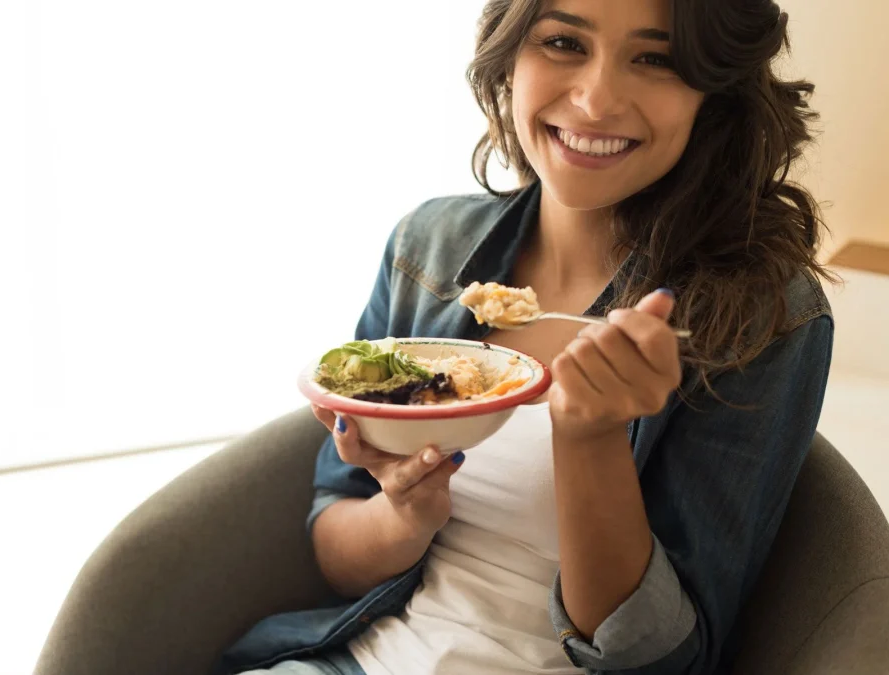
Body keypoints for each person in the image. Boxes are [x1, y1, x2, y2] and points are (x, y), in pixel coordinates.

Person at [218, 0, 833, 673]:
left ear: (713, 89)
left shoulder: (759, 314)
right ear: (507, 54)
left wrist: (589, 438)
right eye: (564, 41)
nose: (596, 100)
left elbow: (662, 659)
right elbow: (336, 541)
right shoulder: (428, 247)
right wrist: (404, 515)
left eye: (655, 57)